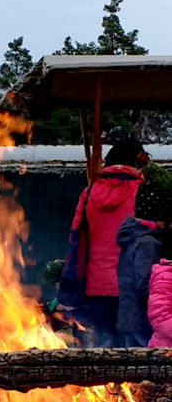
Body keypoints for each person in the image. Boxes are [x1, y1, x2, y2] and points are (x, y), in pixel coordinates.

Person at [70, 139, 148, 347]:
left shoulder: (88, 194)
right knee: (132, 354)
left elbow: (75, 237)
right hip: (131, 284)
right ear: (137, 161)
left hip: (94, 284)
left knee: (102, 349)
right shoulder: (143, 192)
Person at [116, 187, 172, 348]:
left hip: (130, 314)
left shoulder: (134, 237)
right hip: (141, 318)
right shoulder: (148, 243)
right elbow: (146, 283)